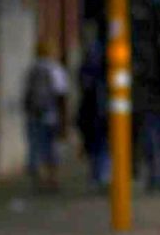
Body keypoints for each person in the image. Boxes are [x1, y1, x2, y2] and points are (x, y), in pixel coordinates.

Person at [23, 39, 69, 192]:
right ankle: (52, 179)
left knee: (35, 146)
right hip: (51, 115)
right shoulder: (55, 69)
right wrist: (63, 119)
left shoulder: (32, 69)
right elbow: (61, 95)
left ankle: (38, 180)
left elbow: (27, 94)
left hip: (33, 115)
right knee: (51, 147)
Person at [76, 27, 110, 191]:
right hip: (99, 114)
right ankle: (101, 176)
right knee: (101, 145)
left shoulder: (89, 71)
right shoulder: (102, 72)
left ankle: (98, 176)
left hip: (94, 114)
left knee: (97, 146)